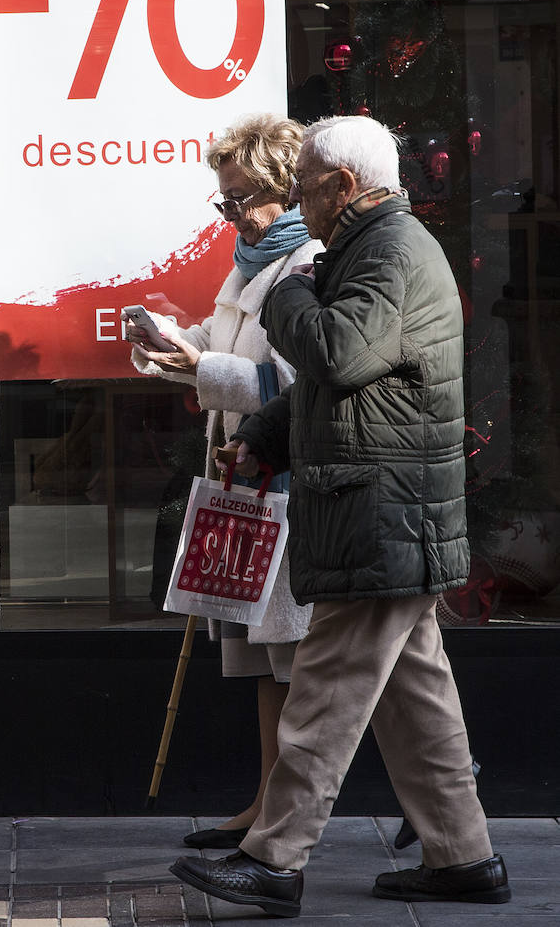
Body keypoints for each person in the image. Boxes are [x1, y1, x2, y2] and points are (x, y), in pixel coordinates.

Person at [169, 114, 510, 915]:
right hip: (388, 513)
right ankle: (464, 859)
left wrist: (285, 288)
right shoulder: (371, 251)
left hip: (383, 513)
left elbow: (334, 353)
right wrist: (260, 440)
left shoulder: (387, 254)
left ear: (343, 187)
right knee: (416, 698)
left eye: (305, 189)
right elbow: (339, 384)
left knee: (322, 693)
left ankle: (275, 858)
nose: (297, 202)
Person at [126, 113, 320, 844]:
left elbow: (300, 386)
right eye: (224, 199)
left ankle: (284, 821)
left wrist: (199, 367)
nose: (229, 213)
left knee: (296, 664)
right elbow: (227, 342)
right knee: (266, 664)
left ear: (282, 192)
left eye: (239, 198)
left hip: (285, 486)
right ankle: (266, 805)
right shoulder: (252, 258)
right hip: (247, 484)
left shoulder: (308, 262)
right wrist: (174, 343)